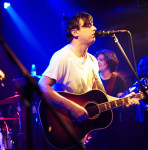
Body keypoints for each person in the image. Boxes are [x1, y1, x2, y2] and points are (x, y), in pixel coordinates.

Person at [38, 11, 139, 150]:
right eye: (88, 25)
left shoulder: (92, 60)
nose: (94, 28)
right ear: (75, 32)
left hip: (79, 130)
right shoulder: (62, 57)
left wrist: (123, 100)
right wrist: (73, 107)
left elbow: (100, 96)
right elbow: (42, 87)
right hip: (62, 125)